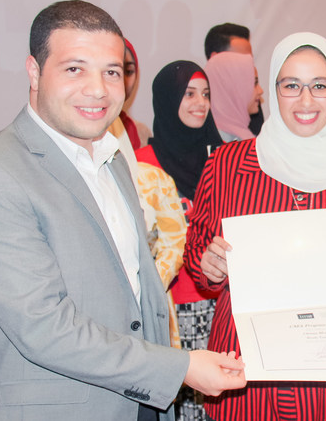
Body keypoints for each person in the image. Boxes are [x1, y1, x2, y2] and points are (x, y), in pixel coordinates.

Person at [0, 0, 245, 420]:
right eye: (74, 69)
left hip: (135, 402)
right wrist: (180, 368)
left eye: (112, 71)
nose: (98, 89)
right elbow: (44, 327)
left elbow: (136, 291)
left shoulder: (113, 158)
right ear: (34, 71)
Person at [186, 32, 326, 421]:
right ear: (273, 89)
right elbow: (198, 254)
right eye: (291, 86)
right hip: (245, 373)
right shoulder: (228, 164)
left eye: (319, 86)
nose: (305, 100)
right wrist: (209, 265)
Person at [134, 60, 224, 421]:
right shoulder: (143, 165)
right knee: (185, 409)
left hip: (223, 303)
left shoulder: (223, 160)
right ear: (166, 99)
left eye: (205, 94)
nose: (199, 103)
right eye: (188, 94)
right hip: (172, 307)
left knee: (222, 403)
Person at [204, 23, 264, 136]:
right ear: (215, 58)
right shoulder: (200, 110)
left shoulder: (252, 104)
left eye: (248, 59)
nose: (246, 64)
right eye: (238, 59)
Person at [205, 52, 261, 143]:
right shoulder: (217, 144)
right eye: (254, 83)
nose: (261, 91)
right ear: (232, 88)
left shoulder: (242, 136)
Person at [118, 38, 151, 149]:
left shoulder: (141, 132)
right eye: (112, 71)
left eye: (128, 71)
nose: (122, 79)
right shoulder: (80, 131)